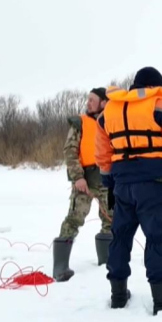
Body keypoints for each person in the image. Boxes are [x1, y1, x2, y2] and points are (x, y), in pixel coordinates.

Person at [95, 66, 162, 315]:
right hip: (154, 186)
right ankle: (161, 299)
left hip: (122, 186)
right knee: (156, 240)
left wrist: (108, 185)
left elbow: (103, 153)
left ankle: (118, 296)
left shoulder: (109, 111)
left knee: (120, 239)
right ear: (156, 86)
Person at [53, 87, 114, 282]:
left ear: (104, 102)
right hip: (84, 180)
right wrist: (77, 177)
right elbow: (70, 151)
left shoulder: (113, 121)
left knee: (111, 221)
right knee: (74, 219)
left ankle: (106, 262)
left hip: (107, 179)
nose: (87, 103)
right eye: (87, 99)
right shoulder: (79, 123)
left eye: (92, 99)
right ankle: (60, 267)